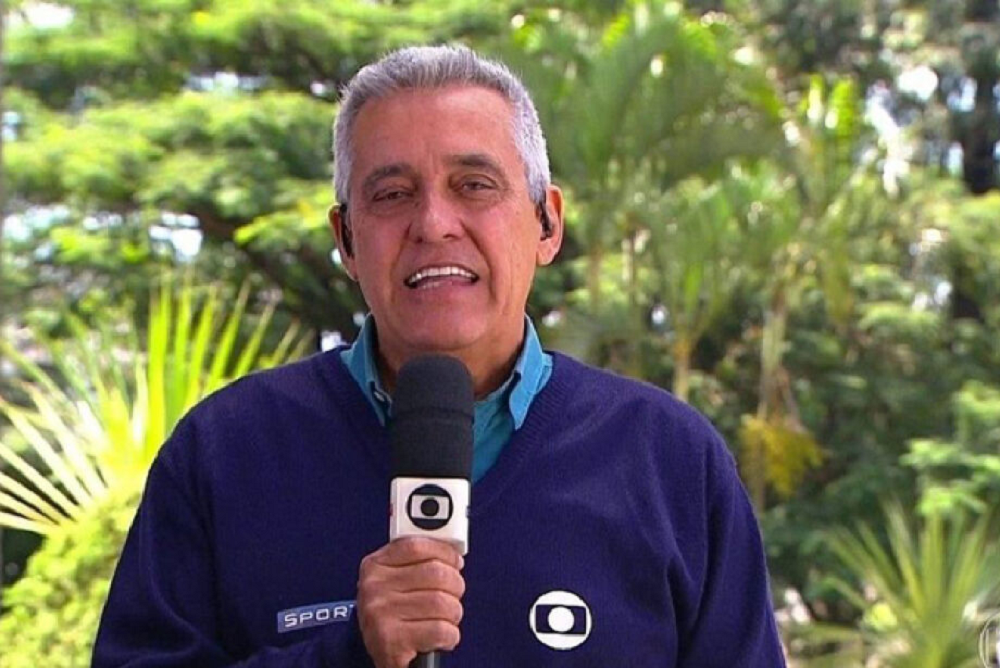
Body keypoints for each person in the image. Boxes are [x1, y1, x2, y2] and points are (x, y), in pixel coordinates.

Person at [93, 45, 786, 667]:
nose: (432, 224)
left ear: (547, 222)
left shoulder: (669, 461)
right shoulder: (226, 454)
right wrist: (346, 655)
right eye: (392, 195)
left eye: (474, 186)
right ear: (346, 239)